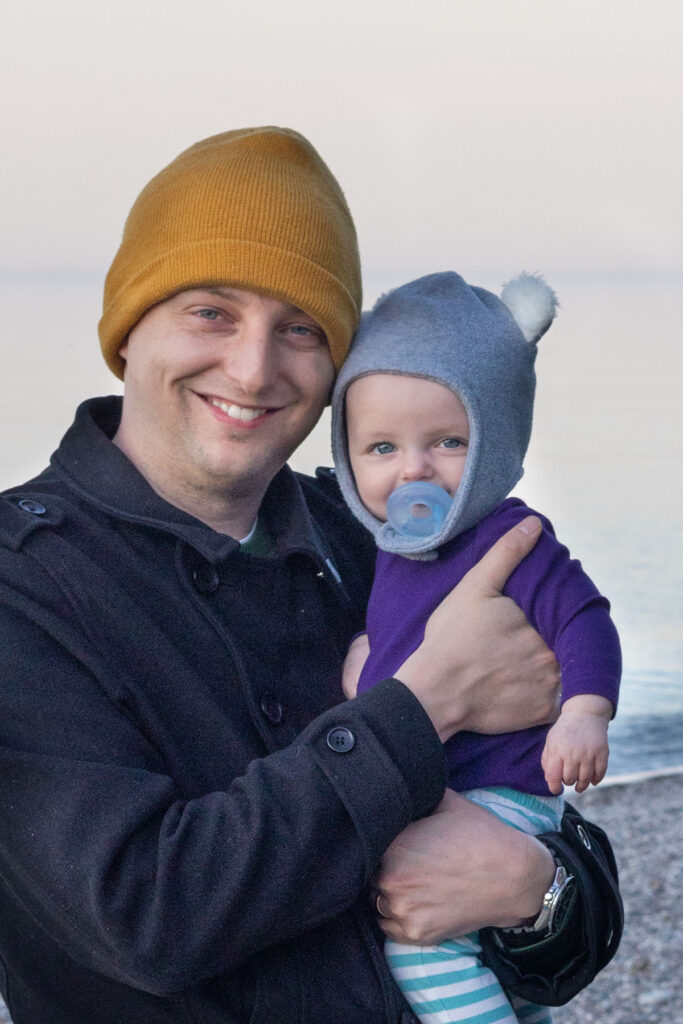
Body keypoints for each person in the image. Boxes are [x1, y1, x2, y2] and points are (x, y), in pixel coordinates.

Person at [0, 128, 565, 1024]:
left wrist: (539, 892)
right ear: (128, 326)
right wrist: (418, 710)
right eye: (210, 313)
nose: (255, 368)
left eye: (299, 328)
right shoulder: (21, 586)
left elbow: (557, 840)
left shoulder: (379, 534)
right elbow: (148, 917)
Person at [331, 270, 622, 1024]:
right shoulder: (387, 546)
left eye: (448, 441)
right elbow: (405, 642)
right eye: (382, 447)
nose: (414, 468)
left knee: (423, 944)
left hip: (507, 792)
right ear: (348, 453)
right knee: (484, 948)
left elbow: (583, 618)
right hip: (453, 793)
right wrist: (366, 656)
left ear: (494, 441)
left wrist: (583, 713)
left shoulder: (510, 537)